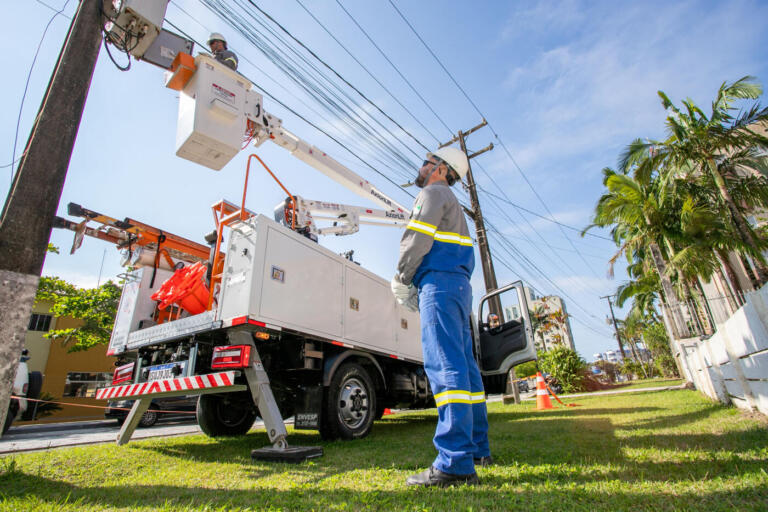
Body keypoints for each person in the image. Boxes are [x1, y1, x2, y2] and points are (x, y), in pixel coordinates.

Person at [391, 147, 491, 487]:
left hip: (439, 283)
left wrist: (402, 276)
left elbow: (417, 237)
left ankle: (455, 463)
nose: (420, 165)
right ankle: (478, 448)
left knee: (445, 366)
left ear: (441, 168)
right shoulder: (455, 205)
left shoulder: (433, 192)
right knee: (465, 368)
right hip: (459, 286)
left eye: (427, 160)